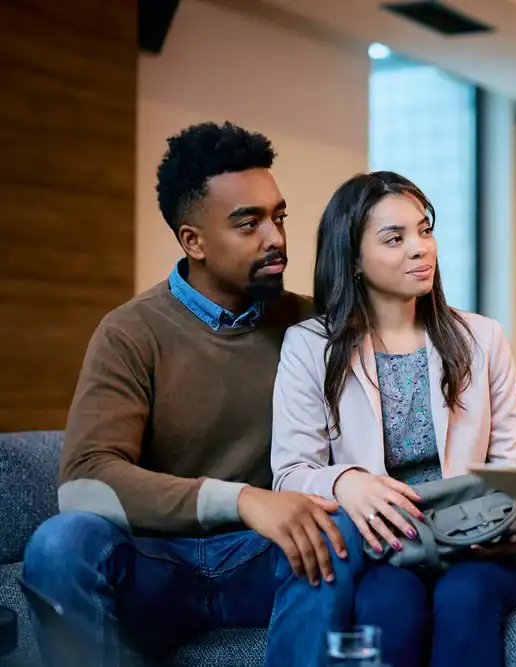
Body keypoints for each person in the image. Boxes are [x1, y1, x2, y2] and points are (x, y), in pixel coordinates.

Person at [20, 121, 365, 667]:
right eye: (247, 223)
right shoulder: (130, 332)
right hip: (159, 563)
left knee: (341, 526)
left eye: (278, 217)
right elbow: (85, 483)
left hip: (268, 561)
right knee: (61, 544)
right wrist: (243, 499)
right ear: (193, 241)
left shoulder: (312, 324)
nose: (275, 238)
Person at [270, 170, 516, 667]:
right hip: (386, 549)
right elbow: (290, 473)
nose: (421, 248)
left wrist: (514, 525)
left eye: (424, 229)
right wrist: (346, 481)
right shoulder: (309, 345)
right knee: (386, 604)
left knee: (464, 599)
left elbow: (510, 461)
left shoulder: (482, 338)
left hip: (475, 548)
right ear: (352, 260)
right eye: (396, 238)